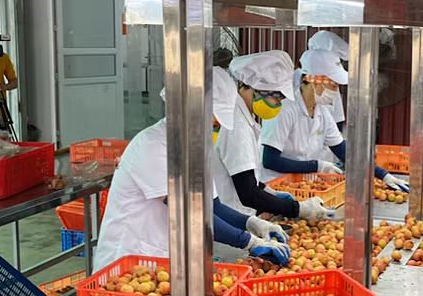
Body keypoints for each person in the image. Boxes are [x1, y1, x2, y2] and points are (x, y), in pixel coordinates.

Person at [94, 67, 290, 271]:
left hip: (163, 260)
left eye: (217, 124)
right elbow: (188, 213)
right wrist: (249, 242)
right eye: (212, 121)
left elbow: (213, 206)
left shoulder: (196, 148)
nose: (214, 128)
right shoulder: (151, 146)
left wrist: (252, 223)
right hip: (128, 260)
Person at [259, 49, 409, 193]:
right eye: (333, 84)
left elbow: (344, 152)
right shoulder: (284, 110)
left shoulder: (322, 112)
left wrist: (383, 175)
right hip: (275, 186)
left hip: (303, 186)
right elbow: (270, 160)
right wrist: (316, 166)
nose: (335, 91)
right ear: (311, 80)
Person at [213, 50, 334, 220]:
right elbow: (248, 193)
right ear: (257, 90)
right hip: (233, 217)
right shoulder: (237, 125)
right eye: (277, 98)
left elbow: (246, 178)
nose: (279, 104)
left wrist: (271, 193)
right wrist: (297, 209)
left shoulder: (244, 117)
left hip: (239, 215)